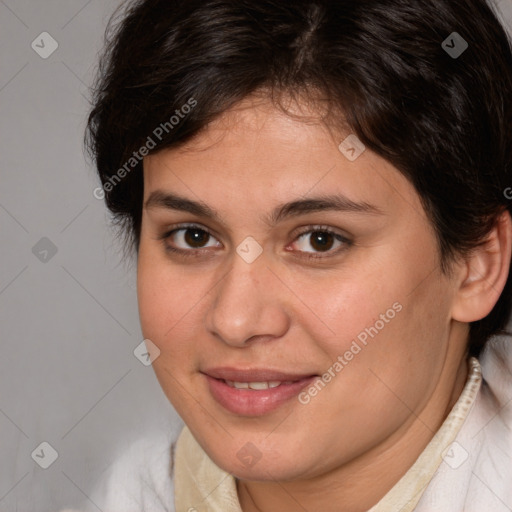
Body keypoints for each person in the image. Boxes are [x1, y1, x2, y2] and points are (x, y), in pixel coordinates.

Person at [81, 0, 512, 510]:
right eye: (194, 236)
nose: (236, 320)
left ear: (476, 265)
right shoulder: (130, 494)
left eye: (320, 240)